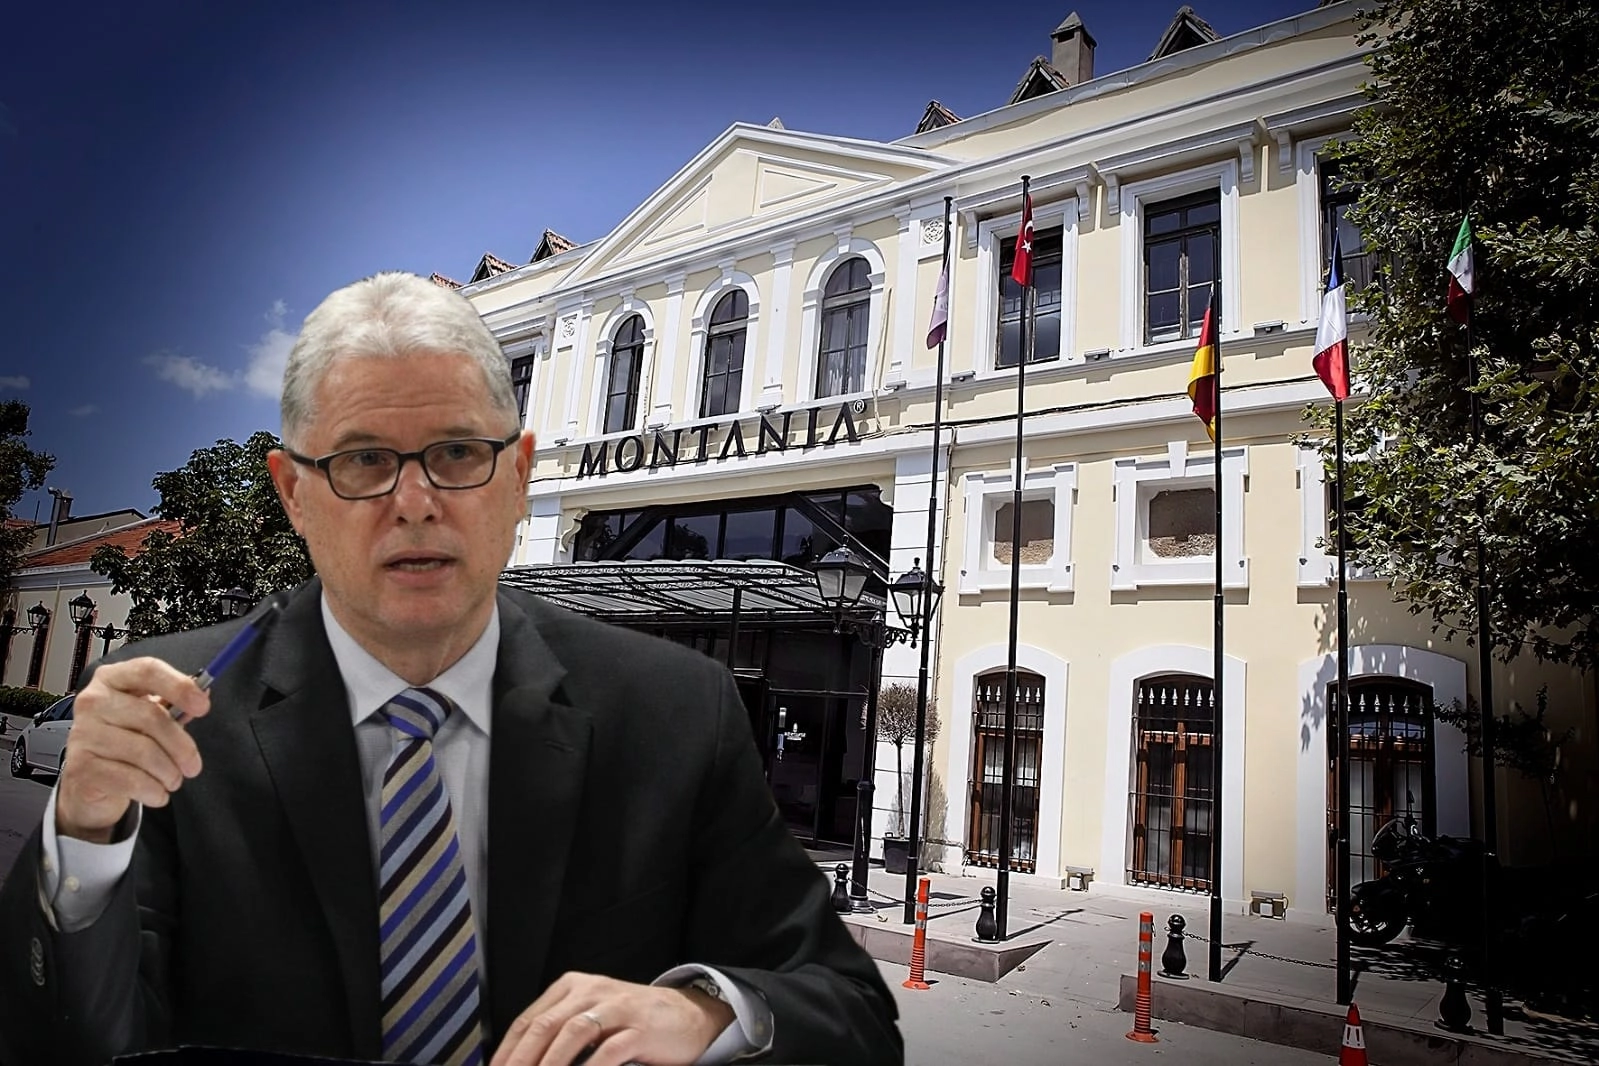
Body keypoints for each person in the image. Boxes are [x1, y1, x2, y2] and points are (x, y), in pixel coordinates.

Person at [0, 271, 903, 1066]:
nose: (416, 503)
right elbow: (63, 1035)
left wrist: (707, 1012)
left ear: (518, 477)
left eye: (458, 454)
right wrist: (81, 840)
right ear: (293, 492)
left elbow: (848, 1010)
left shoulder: (674, 710)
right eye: (363, 460)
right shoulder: (170, 718)